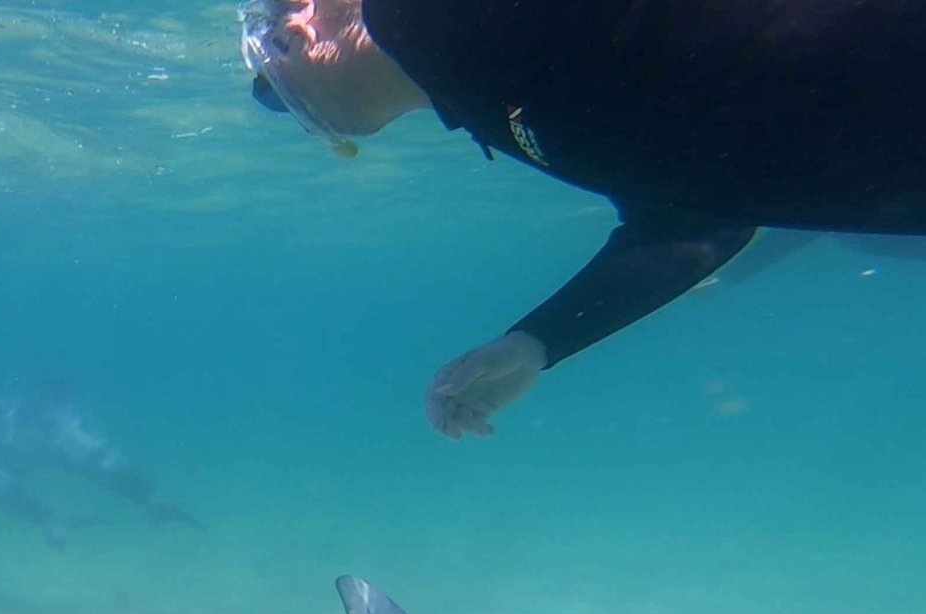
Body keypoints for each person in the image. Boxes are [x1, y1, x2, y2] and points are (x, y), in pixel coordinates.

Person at [241, 0, 926, 438]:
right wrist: (536, 342)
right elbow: (697, 225)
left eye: (272, 57)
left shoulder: (438, 23)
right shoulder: (489, 107)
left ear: (304, 26)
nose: (276, 96)